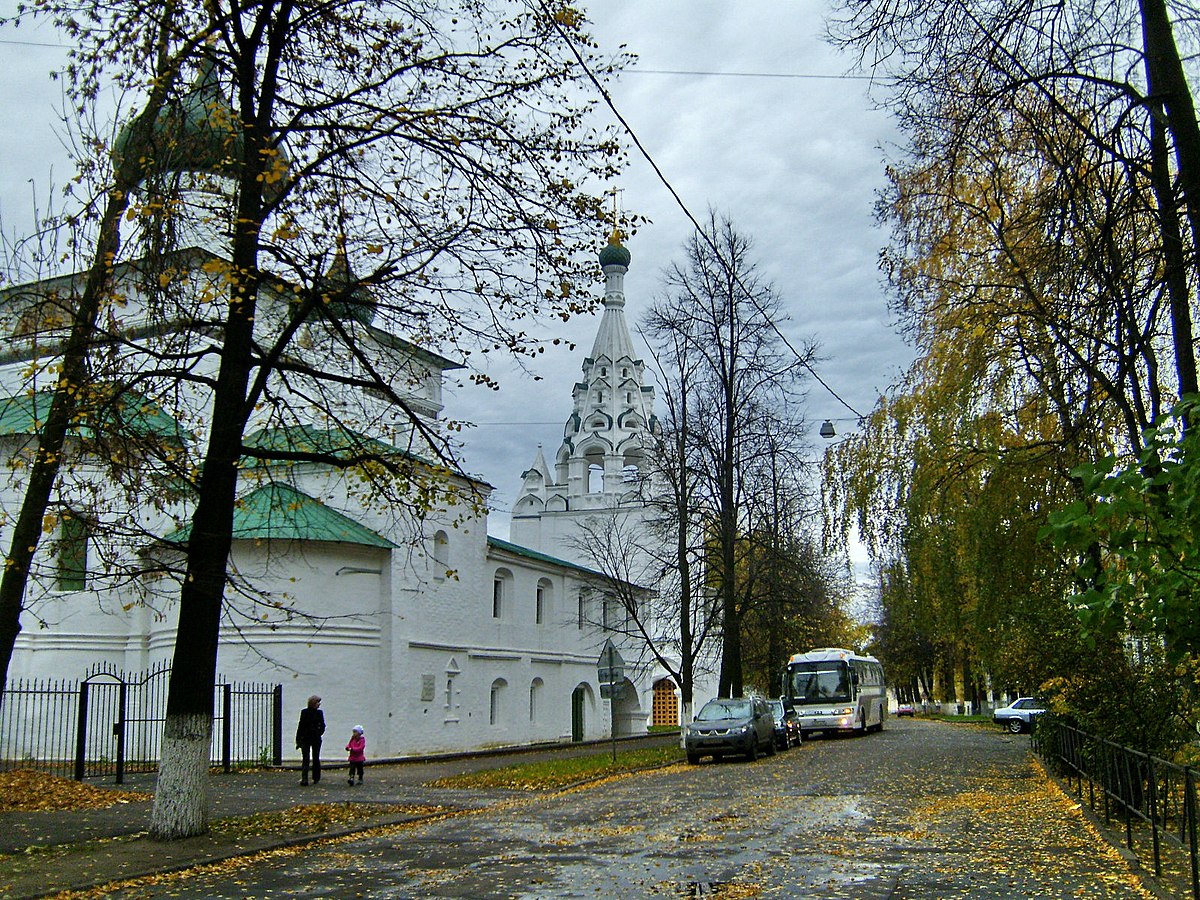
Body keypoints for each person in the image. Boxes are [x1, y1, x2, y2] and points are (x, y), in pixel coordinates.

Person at [295, 695, 325, 785]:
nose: (319, 704)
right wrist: (298, 738)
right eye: (317, 702)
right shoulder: (305, 712)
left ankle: (316, 777)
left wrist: (319, 733)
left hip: (315, 738)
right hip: (306, 738)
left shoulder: (319, 713)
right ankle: (305, 778)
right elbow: (301, 725)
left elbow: (322, 725)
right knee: (306, 758)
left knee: (315, 758)